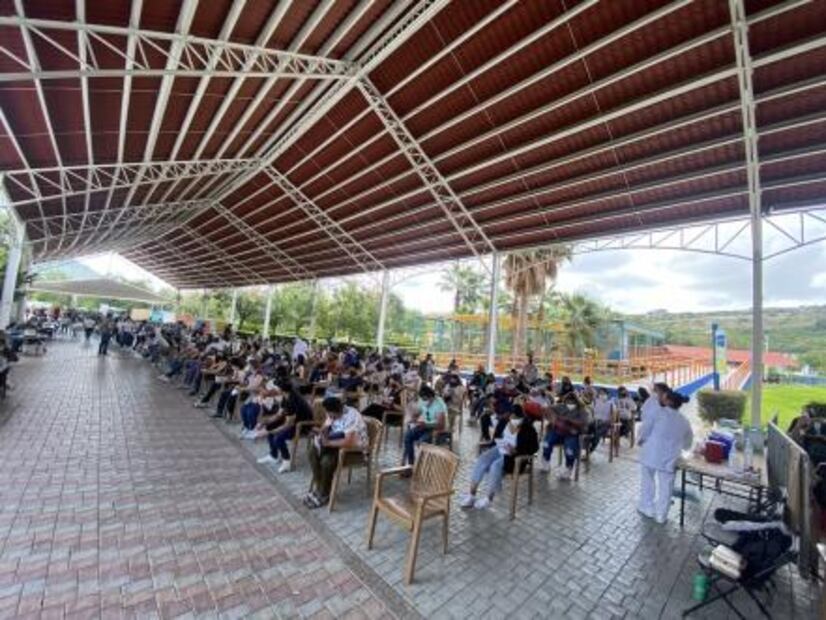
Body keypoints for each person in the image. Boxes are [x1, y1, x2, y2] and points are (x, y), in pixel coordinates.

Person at [459, 406, 539, 509]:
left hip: (514, 457)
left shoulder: (528, 428)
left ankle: (489, 498)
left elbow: (534, 448)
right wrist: (498, 443)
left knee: (495, 465)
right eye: (512, 417)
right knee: (482, 459)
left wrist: (516, 450)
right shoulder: (504, 422)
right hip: (500, 448)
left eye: (517, 418)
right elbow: (496, 438)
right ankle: (471, 494)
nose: (513, 419)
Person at [637, 390, 694, 524]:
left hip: (651, 453)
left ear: (668, 401)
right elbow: (688, 444)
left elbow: (645, 429)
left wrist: (641, 439)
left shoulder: (657, 413)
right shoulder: (684, 421)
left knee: (647, 481)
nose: (661, 399)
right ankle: (661, 515)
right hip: (670, 458)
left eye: (663, 398)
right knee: (666, 486)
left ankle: (647, 507)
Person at [304, 397, 367, 509]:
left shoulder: (352, 416)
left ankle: (323, 493)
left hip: (353, 449)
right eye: (328, 414)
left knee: (326, 461)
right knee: (312, 451)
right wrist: (320, 433)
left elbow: (349, 442)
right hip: (335, 443)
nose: (330, 416)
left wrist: (328, 443)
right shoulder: (332, 412)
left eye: (332, 415)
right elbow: (326, 426)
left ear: (339, 410)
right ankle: (321, 489)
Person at [539, 392, 589, 480]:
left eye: (572, 402)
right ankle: (546, 461)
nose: (570, 404)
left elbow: (583, 422)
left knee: (569, 449)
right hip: (557, 431)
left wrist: (568, 420)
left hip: (571, 433)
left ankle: (568, 468)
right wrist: (553, 418)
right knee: (546, 443)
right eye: (568, 402)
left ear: (576, 402)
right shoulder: (561, 406)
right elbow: (548, 409)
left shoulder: (581, 410)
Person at [402, 385, 447, 466]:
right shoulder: (422, 401)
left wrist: (426, 425)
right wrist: (413, 417)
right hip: (423, 426)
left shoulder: (439, 405)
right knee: (407, 437)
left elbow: (441, 425)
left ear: (431, 397)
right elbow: (419, 411)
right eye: (423, 399)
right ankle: (411, 464)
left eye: (425, 399)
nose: (424, 402)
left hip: (434, 428)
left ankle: (421, 466)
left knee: (422, 442)